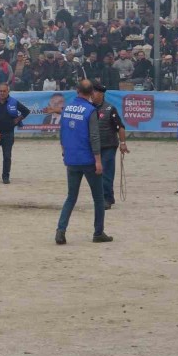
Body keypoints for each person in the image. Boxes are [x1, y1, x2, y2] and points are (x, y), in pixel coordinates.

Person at [55, 79, 113, 245]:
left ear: (77, 91)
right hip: (88, 159)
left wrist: (64, 149)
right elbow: (94, 137)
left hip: (71, 159)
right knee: (98, 198)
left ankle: (61, 230)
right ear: (92, 93)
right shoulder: (90, 111)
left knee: (71, 197)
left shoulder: (66, 109)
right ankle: (98, 232)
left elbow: (63, 132)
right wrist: (98, 160)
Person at [92, 84, 130, 210]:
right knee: (96, 173)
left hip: (108, 145)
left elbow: (120, 127)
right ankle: (104, 197)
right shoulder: (89, 108)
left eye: (95, 92)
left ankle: (106, 199)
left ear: (101, 94)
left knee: (106, 172)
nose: (92, 95)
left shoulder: (110, 109)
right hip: (94, 147)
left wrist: (123, 143)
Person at [0, 83, 31, 184]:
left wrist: (18, 119)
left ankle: (5, 177)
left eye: (4, 91)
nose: (2, 93)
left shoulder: (13, 102)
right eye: (0, 91)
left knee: (7, 157)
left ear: (8, 91)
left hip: (8, 134)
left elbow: (26, 111)